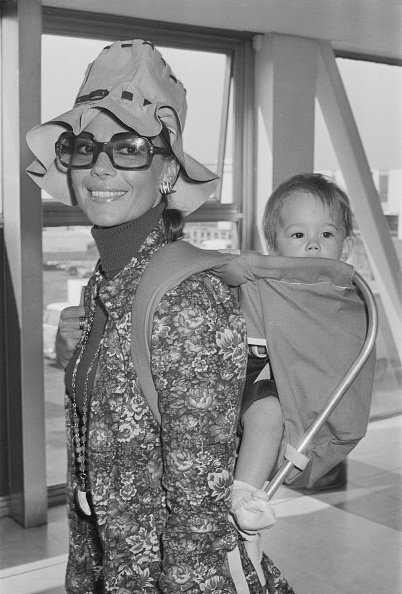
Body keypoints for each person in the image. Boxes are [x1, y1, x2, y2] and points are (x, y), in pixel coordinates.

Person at [26, 40, 294, 593]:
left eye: (128, 147)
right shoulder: (108, 280)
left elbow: (198, 509)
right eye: (85, 147)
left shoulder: (186, 299)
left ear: (167, 170)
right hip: (108, 561)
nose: (101, 166)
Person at [231, 173, 353, 531]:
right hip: (238, 382)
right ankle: (245, 495)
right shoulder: (257, 284)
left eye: (327, 235)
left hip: (295, 401)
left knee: (271, 412)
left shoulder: (347, 304)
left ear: (345, 246)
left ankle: (246, 493)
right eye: (299, 235)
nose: (314, 245)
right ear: (274, 246)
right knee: (267, 411)